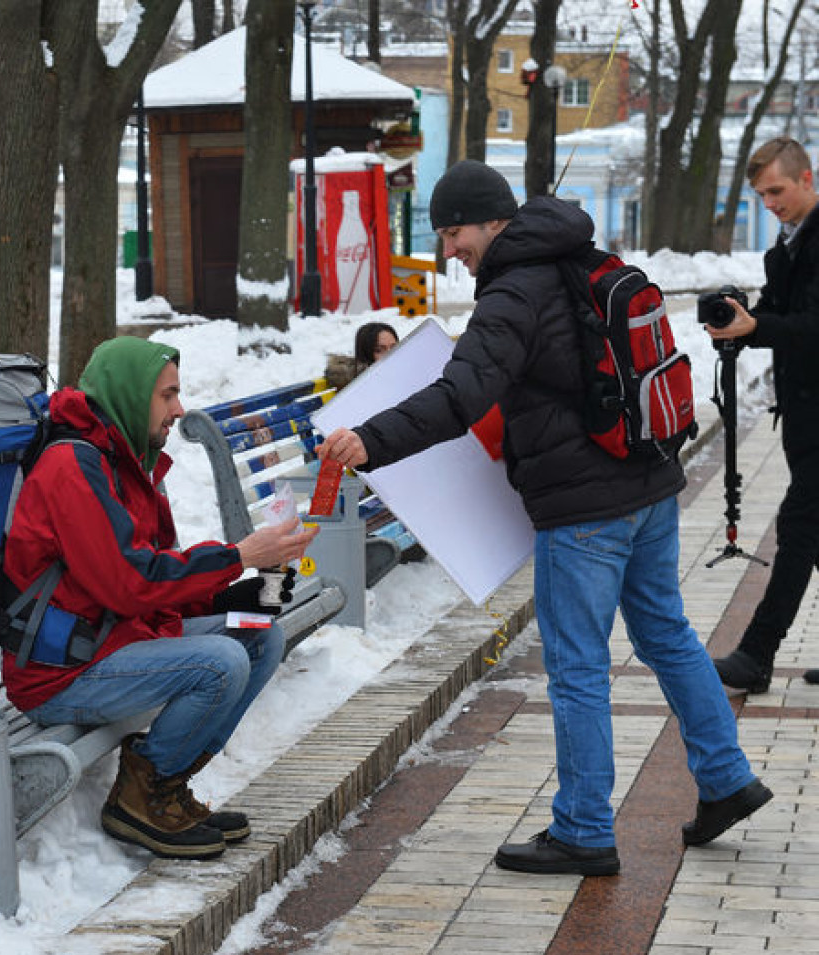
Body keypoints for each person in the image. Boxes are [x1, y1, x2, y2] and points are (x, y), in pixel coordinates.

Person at [317, 159, 771, 876]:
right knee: (669, 635)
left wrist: (372, 437)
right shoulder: (582, 257)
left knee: (579, 666)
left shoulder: (513, 293)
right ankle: (725, 777)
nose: (450, 250)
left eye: (454, 231)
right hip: (648, 486)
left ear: (491, 221)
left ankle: (584, 828)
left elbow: (460, 395)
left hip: (586, 509)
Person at [2, 336, 318, 860]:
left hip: (110, 642)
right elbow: (129, 582)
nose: (179, 409)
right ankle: (139, 798)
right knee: (218, 663)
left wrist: (229, 593)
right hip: (58, 671)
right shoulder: (72, 469)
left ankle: (165, 788)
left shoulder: (120, 462)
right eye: (168, 396)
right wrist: (237, 557)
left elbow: (145, 582)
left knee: (259, 636)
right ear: (130, 394)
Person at [708, 137, 819, 694]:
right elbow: (783, 315)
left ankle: (757, 654)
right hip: (806, 416)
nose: (769, 202)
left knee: (799, 529)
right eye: (761, 195)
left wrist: (761, 327)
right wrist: (741, 321)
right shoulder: (787, 248)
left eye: (776, 190)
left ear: (807, 179)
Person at [325, 321, 399, 390]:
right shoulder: (357, 387)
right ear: (365, 354)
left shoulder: (403, 374)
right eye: (379, 350)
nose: (390, 354)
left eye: (394, 347)